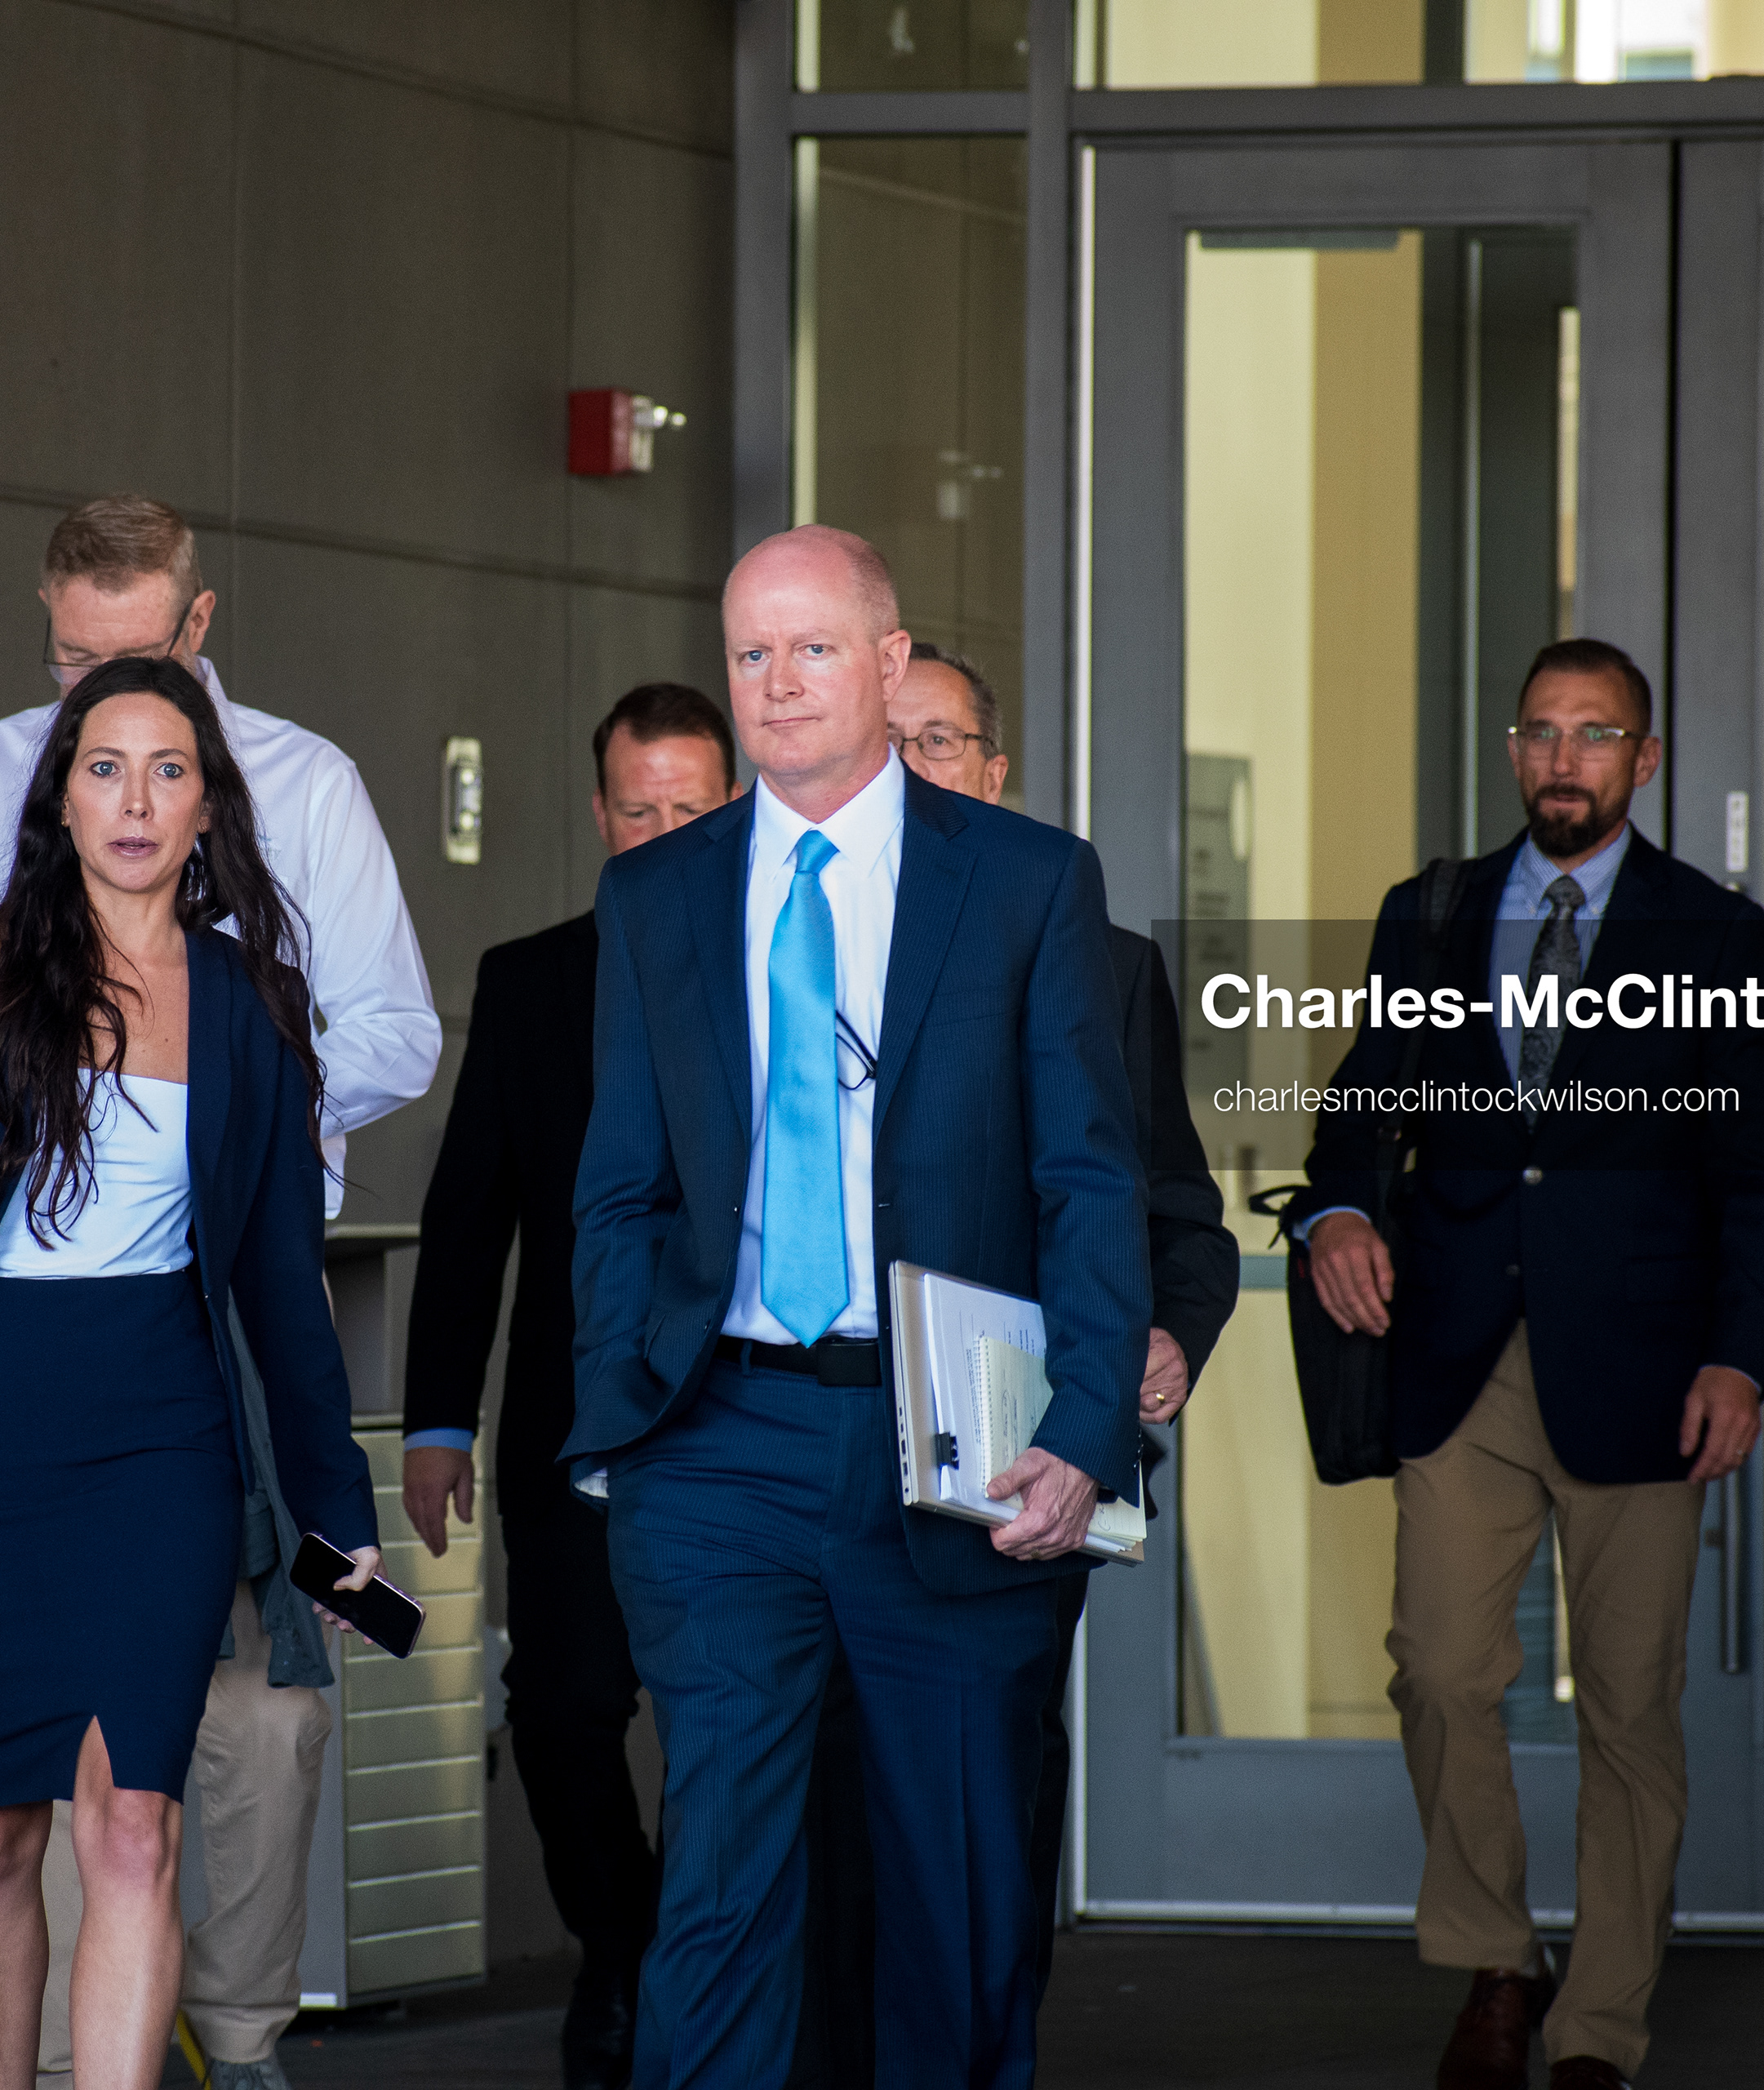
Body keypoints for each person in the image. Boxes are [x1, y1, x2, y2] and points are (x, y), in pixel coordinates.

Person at [0, 496, 436, 2090]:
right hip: (2, 1348)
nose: (99, 700)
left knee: (218, 1729)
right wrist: (0, 1081)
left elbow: (399, 1035)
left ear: (198, 627)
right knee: (21, 1801)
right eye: (74, 662)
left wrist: (231, 1099)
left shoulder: (303, 783)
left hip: (212, 1311)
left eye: (134, 660)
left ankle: (238, 2028)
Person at [569, 525, 1151, 2088]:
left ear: (889, 667)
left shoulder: (1031, 884)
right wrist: (621, 1418)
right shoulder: (659, 897)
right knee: (721, 1899)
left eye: (812, 648)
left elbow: (1091, 1180)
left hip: (954, 1450)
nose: (775, 682)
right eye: (750, 653)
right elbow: (620, 1186)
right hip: (719, 1448)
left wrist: (1087, 1431)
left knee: (953, 1907)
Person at [1284, 638, 1764, 2090]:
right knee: (1443, 1673)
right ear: (1513, 753)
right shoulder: (1429, 914)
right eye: (1542, 733)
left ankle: (1599, 2028)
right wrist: (1330, 1215)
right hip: (1458, 1355)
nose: (1564, 760)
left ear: (1646, 762)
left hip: (1646, 1373)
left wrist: (1739, 1361)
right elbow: (1355, 1118)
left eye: (1598, 736)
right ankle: (1495, 1962)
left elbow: (1761, 1172)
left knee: (1629, 1709)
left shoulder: (1713, 934)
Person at [398, 683, 740, 2090]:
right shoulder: (533, 980)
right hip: (572, 1425)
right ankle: (628, 1940)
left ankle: (716, 1980)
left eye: (691, 809)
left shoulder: (800, 966)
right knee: (560, 1715)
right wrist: (433, 1415)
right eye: (638, 808)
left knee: (735, 1719)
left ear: (736, 810)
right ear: (603, 817)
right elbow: (471, 1214)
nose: (662, 833)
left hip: (747, 1418)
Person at [886, 639, 1239, 2001]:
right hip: (829, 1431)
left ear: (994, 769)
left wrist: (1165, 1337)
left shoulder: (1104, 957)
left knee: (1001, 1767)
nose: (917, 769)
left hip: (1029, 1430)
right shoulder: (803, 924)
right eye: (894, 742)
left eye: (940, 743)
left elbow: (1172, 1211)